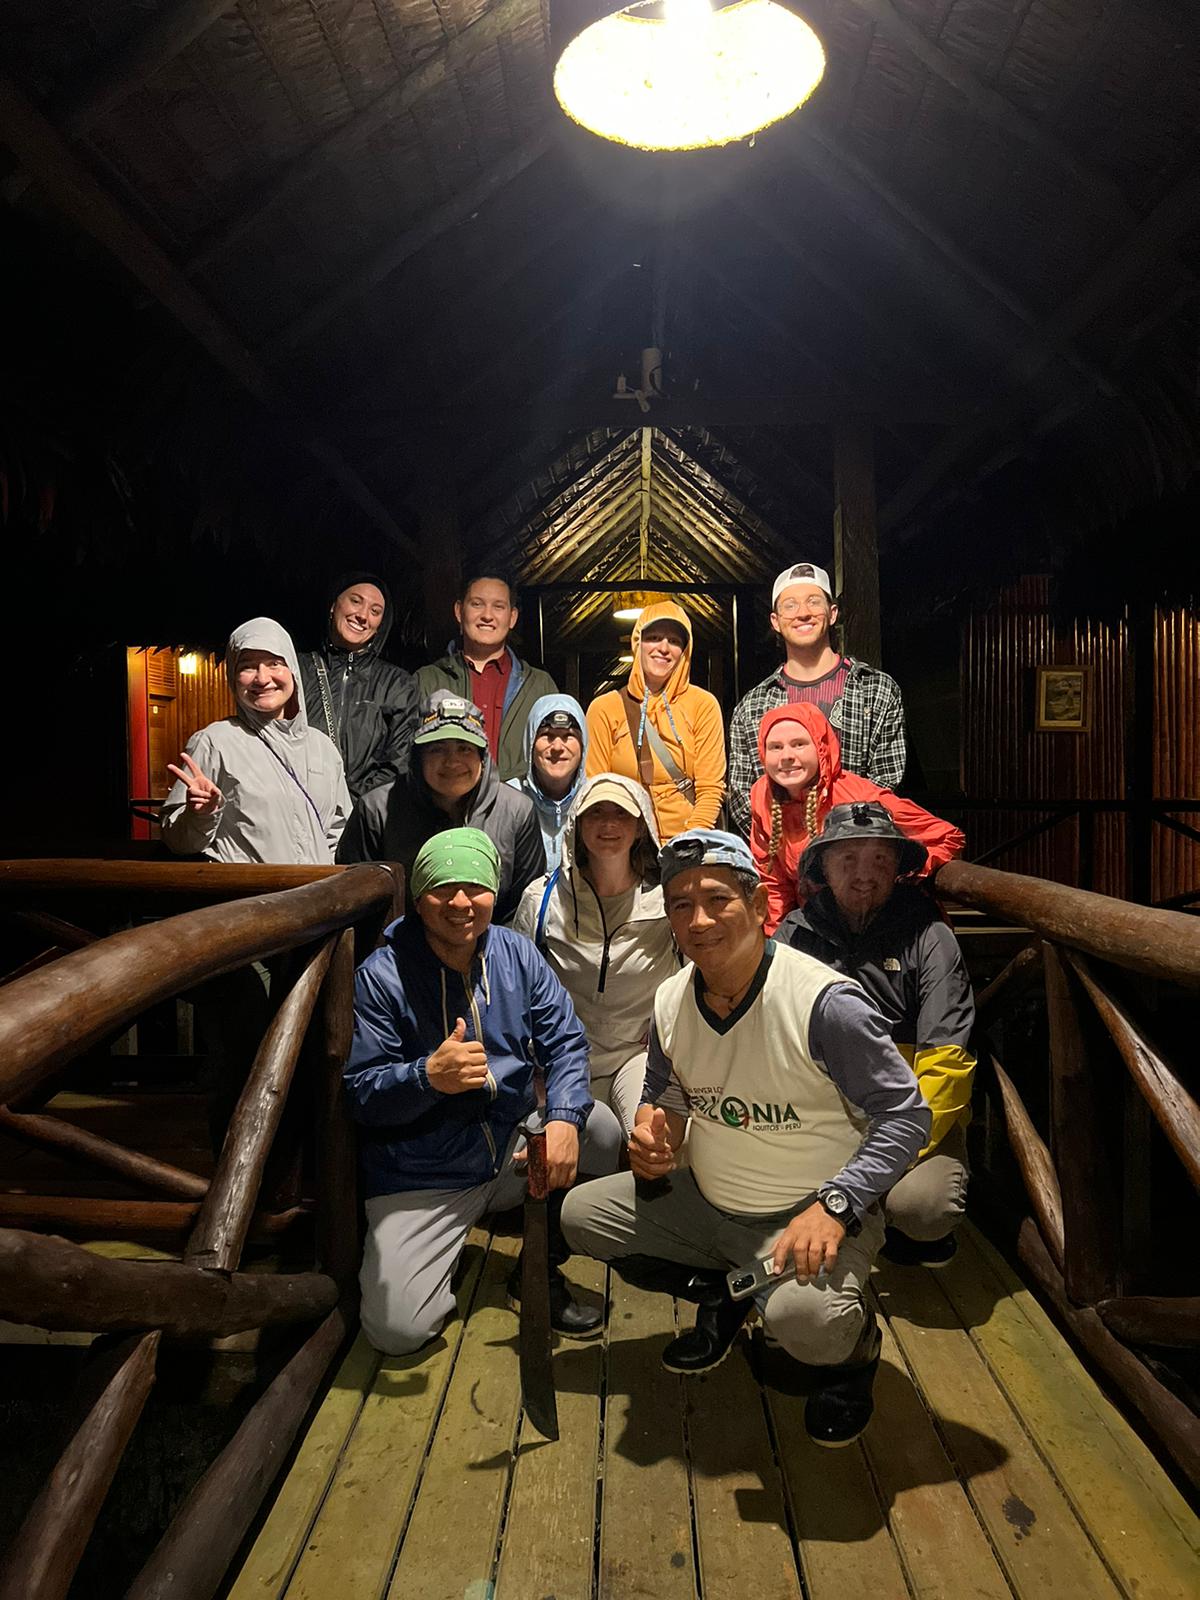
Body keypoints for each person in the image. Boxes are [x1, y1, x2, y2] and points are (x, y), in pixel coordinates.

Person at [561, 829, 930, 1447]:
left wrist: (836, 1205)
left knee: (807, 1321)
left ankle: (854, 1354)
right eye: (681, 904)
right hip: (713, 1201)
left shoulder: (824, 1004)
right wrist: (657, 1135)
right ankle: (731, 1295)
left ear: (759, 907)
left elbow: (906, 1116)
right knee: (582, 1214)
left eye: (717, 899)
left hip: (810, 1215)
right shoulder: (672, 999)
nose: (698, 919)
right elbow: (670, 1091)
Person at [344, 827, 623, 1354]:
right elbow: (360, 1093)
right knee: (396, 1332)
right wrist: (426, 1076)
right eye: (441, 888)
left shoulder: (515, 953)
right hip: (425, 1174)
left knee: (601, 1130)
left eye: (475, 887)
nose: (460, 903)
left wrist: (562, 1117)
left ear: (494, 892)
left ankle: (540, 1264)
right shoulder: (381, 977)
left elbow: (566, 1040)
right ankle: (448, 1242)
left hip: (511, 1150)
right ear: (418, 896)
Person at [776, 802, 976, 1266]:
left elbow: (948, 1059)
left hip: (913, 1114)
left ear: (898, 869)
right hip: (820, 1116)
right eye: (848, 859)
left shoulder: (930, 935)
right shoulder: (793, 933)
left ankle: (906, 1232)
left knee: (924, 1207)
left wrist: (893, 1154)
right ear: (823, 867)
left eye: (880, 860)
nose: (864, 874)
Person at [512, 774, 677, 1136]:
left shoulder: (668, 901)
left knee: (651, 1139)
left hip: (637, 1056)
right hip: (562, 1058)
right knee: (547, 1149)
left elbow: (695, 976)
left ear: (640, 826)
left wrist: (670, 1030)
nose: (608, 824)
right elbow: (514, 985)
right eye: (595, 813)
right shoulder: (543, 900)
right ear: (577, 824)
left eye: (621, 813)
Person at [749, 703, 964, 935]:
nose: (787, 756)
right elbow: (773, 880)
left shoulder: (857, 796)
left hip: (888, 933)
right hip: (822, 934)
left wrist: (899, 877)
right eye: (775, 747)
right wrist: (777, 947)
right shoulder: (763, 796)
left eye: (799, 744)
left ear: (820, 748)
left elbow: (948, 837)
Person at [726, 562, 906, 837]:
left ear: (832, 613)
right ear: (775, 621)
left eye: (813, 602)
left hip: (858, 853)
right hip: (782, 859)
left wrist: (839, 841)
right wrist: (790, 847)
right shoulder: (752, 707)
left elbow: (886, 781)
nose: (803, 613)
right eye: (790, 605)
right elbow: (742, 795)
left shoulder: (877, 690)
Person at [337, 692, 543, 924]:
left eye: (465, 748)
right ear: (417, 757)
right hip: (397, 950)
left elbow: (522, 907)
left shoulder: (517, 811)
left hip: (491, 950)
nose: (452, 762)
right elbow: (354, 900)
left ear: (482, 757)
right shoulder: (377, 810)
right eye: (437, 749)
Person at [162, 616, 350, 864]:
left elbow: (339, 831)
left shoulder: (322, 747)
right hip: (249, 897)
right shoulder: (215, 742)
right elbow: (177, 842)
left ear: (292, 670)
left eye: (274, 663)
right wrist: (201, 815)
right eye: (247, 666)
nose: (262, 678)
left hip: (314, 898)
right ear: (233, 676)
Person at [585, 599, 726, 841]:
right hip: (626, 843)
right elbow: (596, 788)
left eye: (674, 641)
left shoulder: (703, 705)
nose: (663, 647)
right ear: (637, 643)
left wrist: (689, 843)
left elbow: (710, 787)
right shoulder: (604, 708)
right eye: (654, 637)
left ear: (685, 650)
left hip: (688, 842)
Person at [417, 571, 556, 782]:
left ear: (512, 617)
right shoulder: (427, 680)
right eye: (477, 604)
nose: (487, 616)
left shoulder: (539, 686)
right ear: (459, 611)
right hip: (444, 811)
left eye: (498, 606)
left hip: (519, 810)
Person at [299, 571, 419, 802]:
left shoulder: (398, 684)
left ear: (380, 625)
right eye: (356, 601)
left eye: (375, 611)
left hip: (365, 817)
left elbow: (400, 761)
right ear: (334, 605)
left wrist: (350, 802)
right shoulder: (298, 670)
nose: (363, 615)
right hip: (299, 810)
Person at [508, 694, 589, 870]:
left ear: (583, 744)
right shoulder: (506, 802)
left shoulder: (596, 801)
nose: (558, 747)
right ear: (530, 742)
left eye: (568, 735)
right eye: (547, 735)